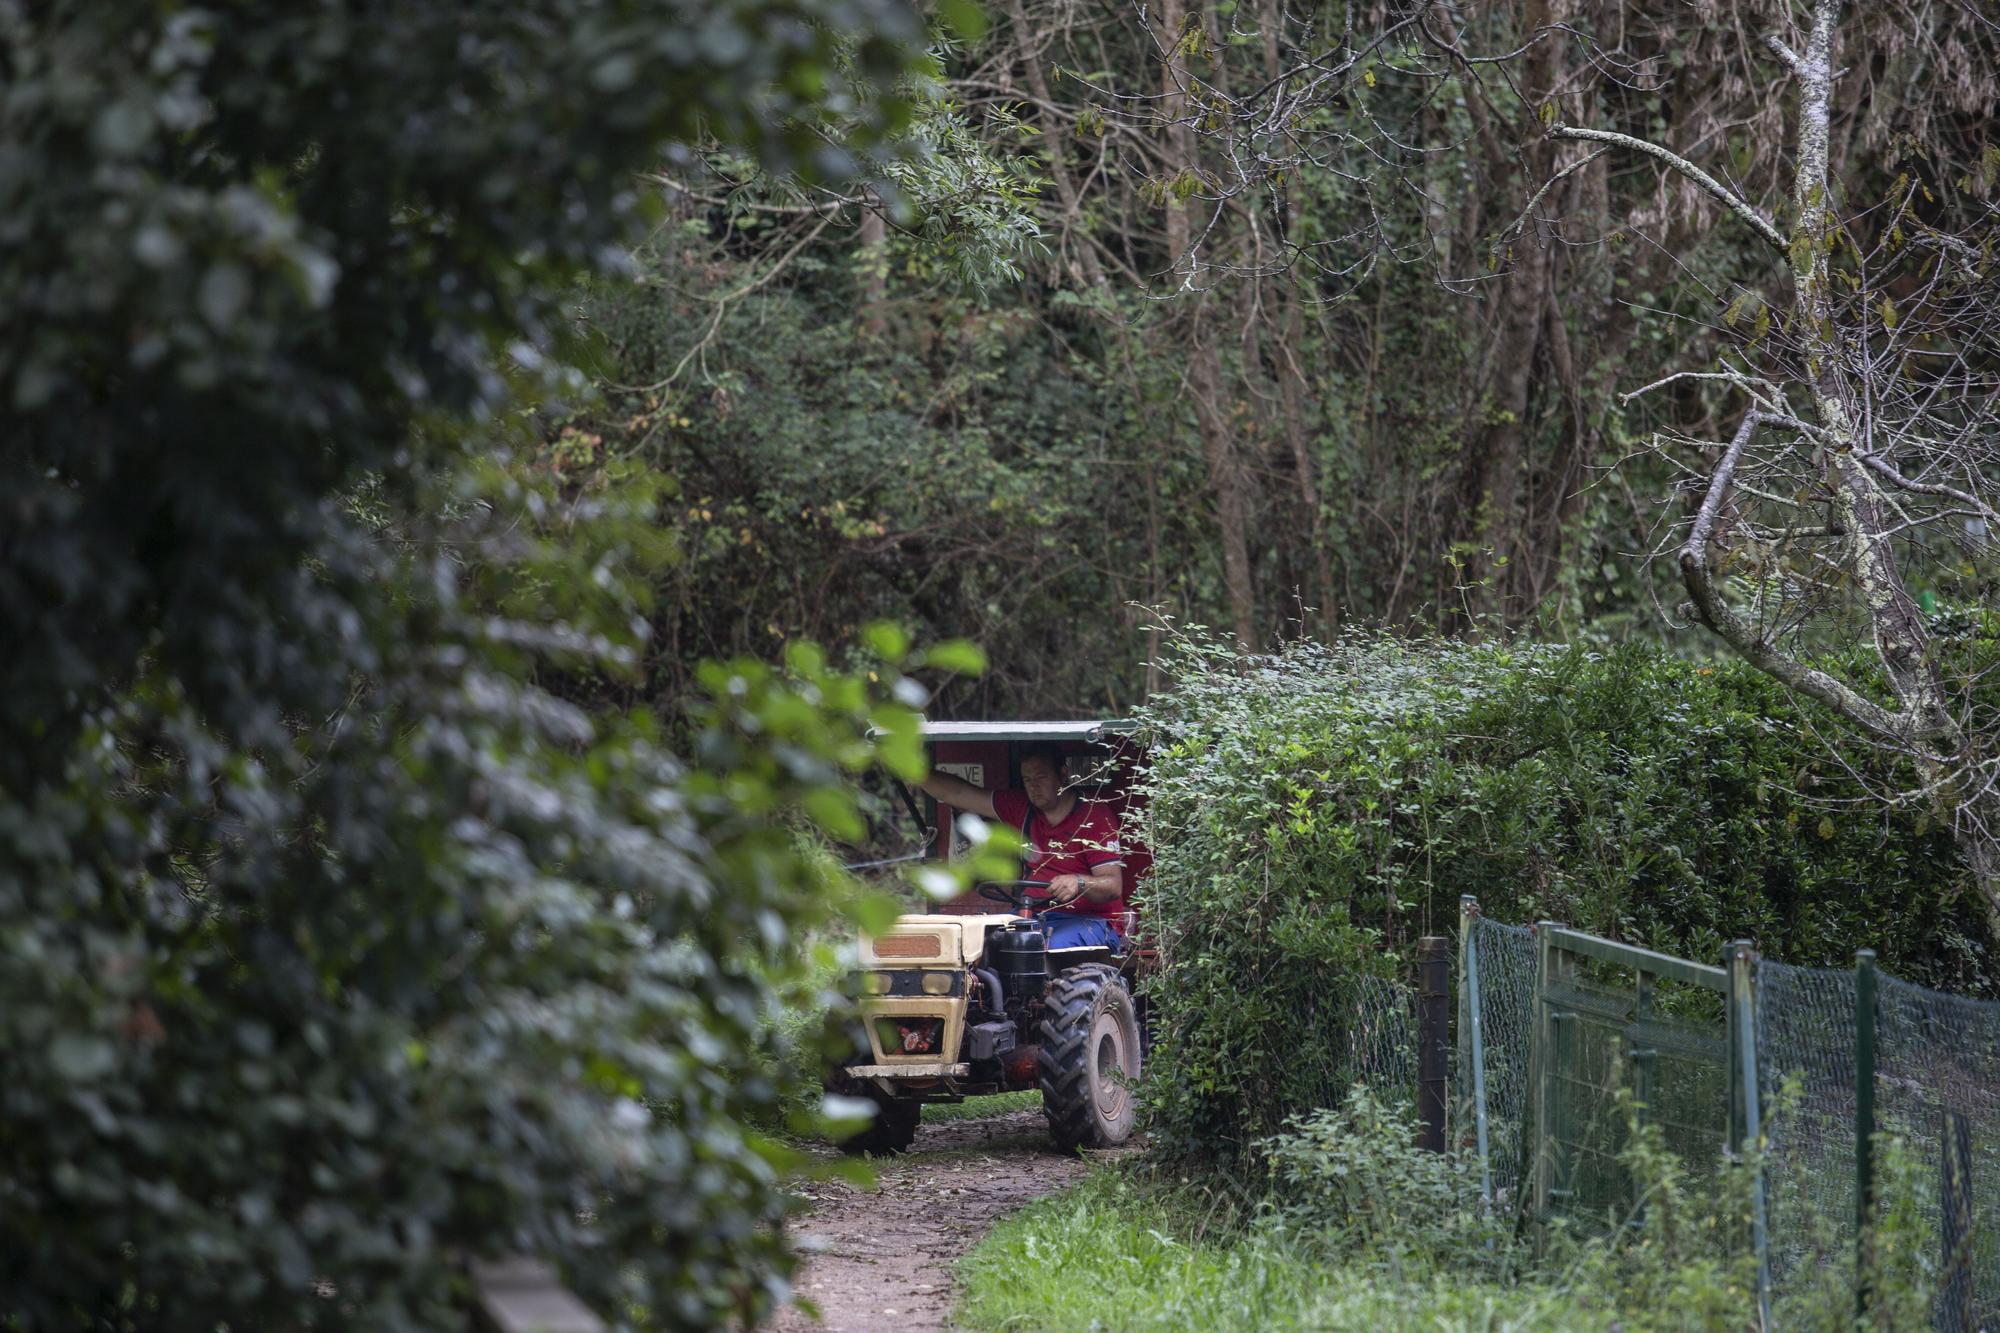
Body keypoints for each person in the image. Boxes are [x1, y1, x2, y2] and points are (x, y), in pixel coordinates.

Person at [918, 743, 1126, 949]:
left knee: (1044, 949)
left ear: (1063, 775)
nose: (1034, 786)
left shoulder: (1095, 815)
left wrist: (1079, 882)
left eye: (1041, 777)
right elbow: (957, 794)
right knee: (979, 945)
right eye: (1027, 779)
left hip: (1093, 922)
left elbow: (1112, 885)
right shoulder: (1020, 808)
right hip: (1033, 917)